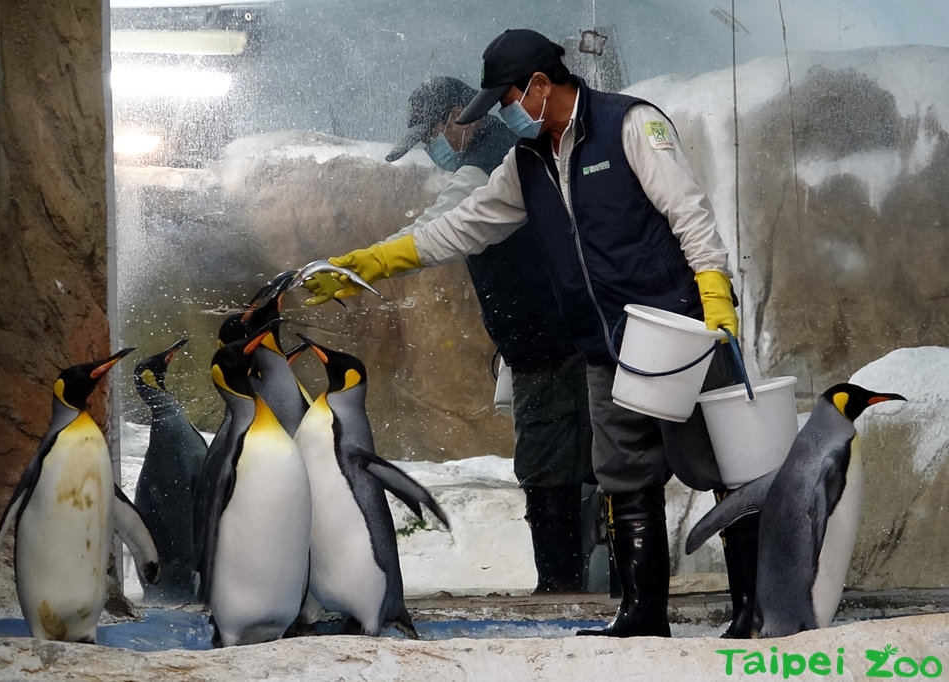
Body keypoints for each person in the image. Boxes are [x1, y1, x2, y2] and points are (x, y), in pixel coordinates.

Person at [304, 29, 753, 639]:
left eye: (508, 100)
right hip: (604, 346)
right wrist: (374, 262)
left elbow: (688, 209)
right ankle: (643, 619)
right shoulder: (528, 163)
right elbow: (464, 226)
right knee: (625, 475)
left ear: (541, 85)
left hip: (674, 329)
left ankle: (753, 610)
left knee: (719, 464)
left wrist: (713, 291)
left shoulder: (631, 126)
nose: (505, 116)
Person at [309, 76, 595, 593]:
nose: (431, 147)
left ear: (463, 114)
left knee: (552, 466)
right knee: (586, 463)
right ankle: (592, 585)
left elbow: (442, 226)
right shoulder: (503, 153)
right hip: (553, 340)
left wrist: (362, 266)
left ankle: (564, 591)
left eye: (434, 132)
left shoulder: (495, 158)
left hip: (551, 345)